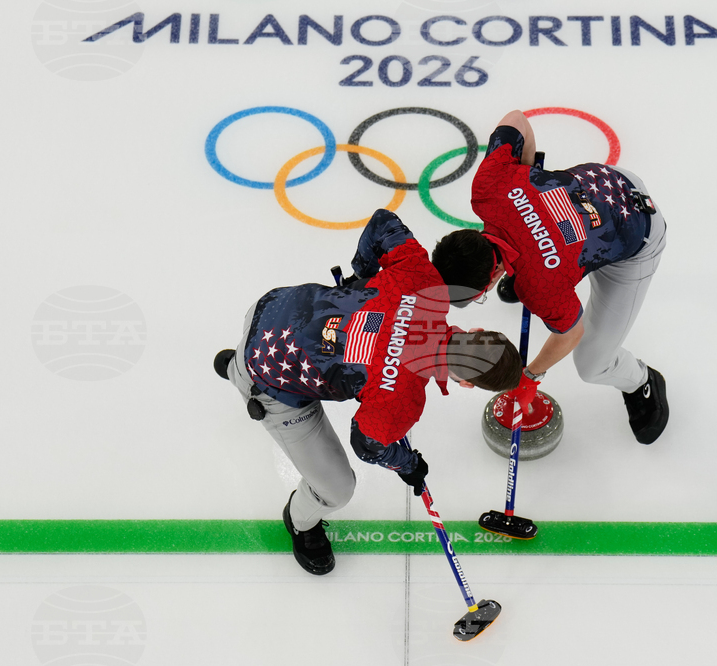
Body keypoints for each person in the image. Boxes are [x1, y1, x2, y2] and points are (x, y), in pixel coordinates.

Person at [214, 209, 522, 576]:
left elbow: (382, 222)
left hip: (273, 307)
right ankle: (301, 521)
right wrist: (406, 464)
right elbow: (367, 443)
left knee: (326, 356)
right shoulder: (404, 398)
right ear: (468, 383)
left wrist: (362, 280)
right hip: (272, 374)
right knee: (336, 489)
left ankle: (238, 362)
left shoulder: (427, 282)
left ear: (478, 330)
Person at [431, 110, 669, 445]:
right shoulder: (488, 187)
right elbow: (517, 119)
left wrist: (530, 376)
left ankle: (640, 380)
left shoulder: (540, 287)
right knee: (549, 265)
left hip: (636, 237)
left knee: (592, 362)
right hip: (608, 182)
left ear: (489, 279)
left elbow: (570, 334)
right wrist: (526, 175)